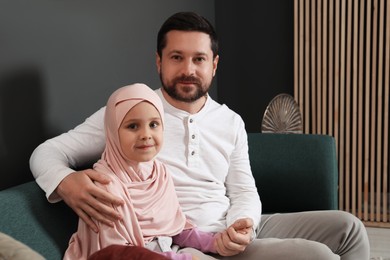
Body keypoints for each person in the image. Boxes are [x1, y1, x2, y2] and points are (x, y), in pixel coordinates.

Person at [30, 11, 369, 260]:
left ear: (214, 65)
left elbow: (243, 190)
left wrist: (243, 226)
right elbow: (47, 152)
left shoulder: (229, 121)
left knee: (349, 228)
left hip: (236, 227)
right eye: (177, 57)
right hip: (188, 241)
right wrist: (65, 182)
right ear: (159, 61)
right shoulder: (131, 113)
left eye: (199, 59)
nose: (188, 69)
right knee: (317, 256)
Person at [63, 83, 218, 259]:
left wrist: (213, 242)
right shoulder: (105, 186)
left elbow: (174, 227)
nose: (146, 134)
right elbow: (115, 253)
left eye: (153, 124)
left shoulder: (159, 173)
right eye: (133, 126)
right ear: (113, 131)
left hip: (168, 252)